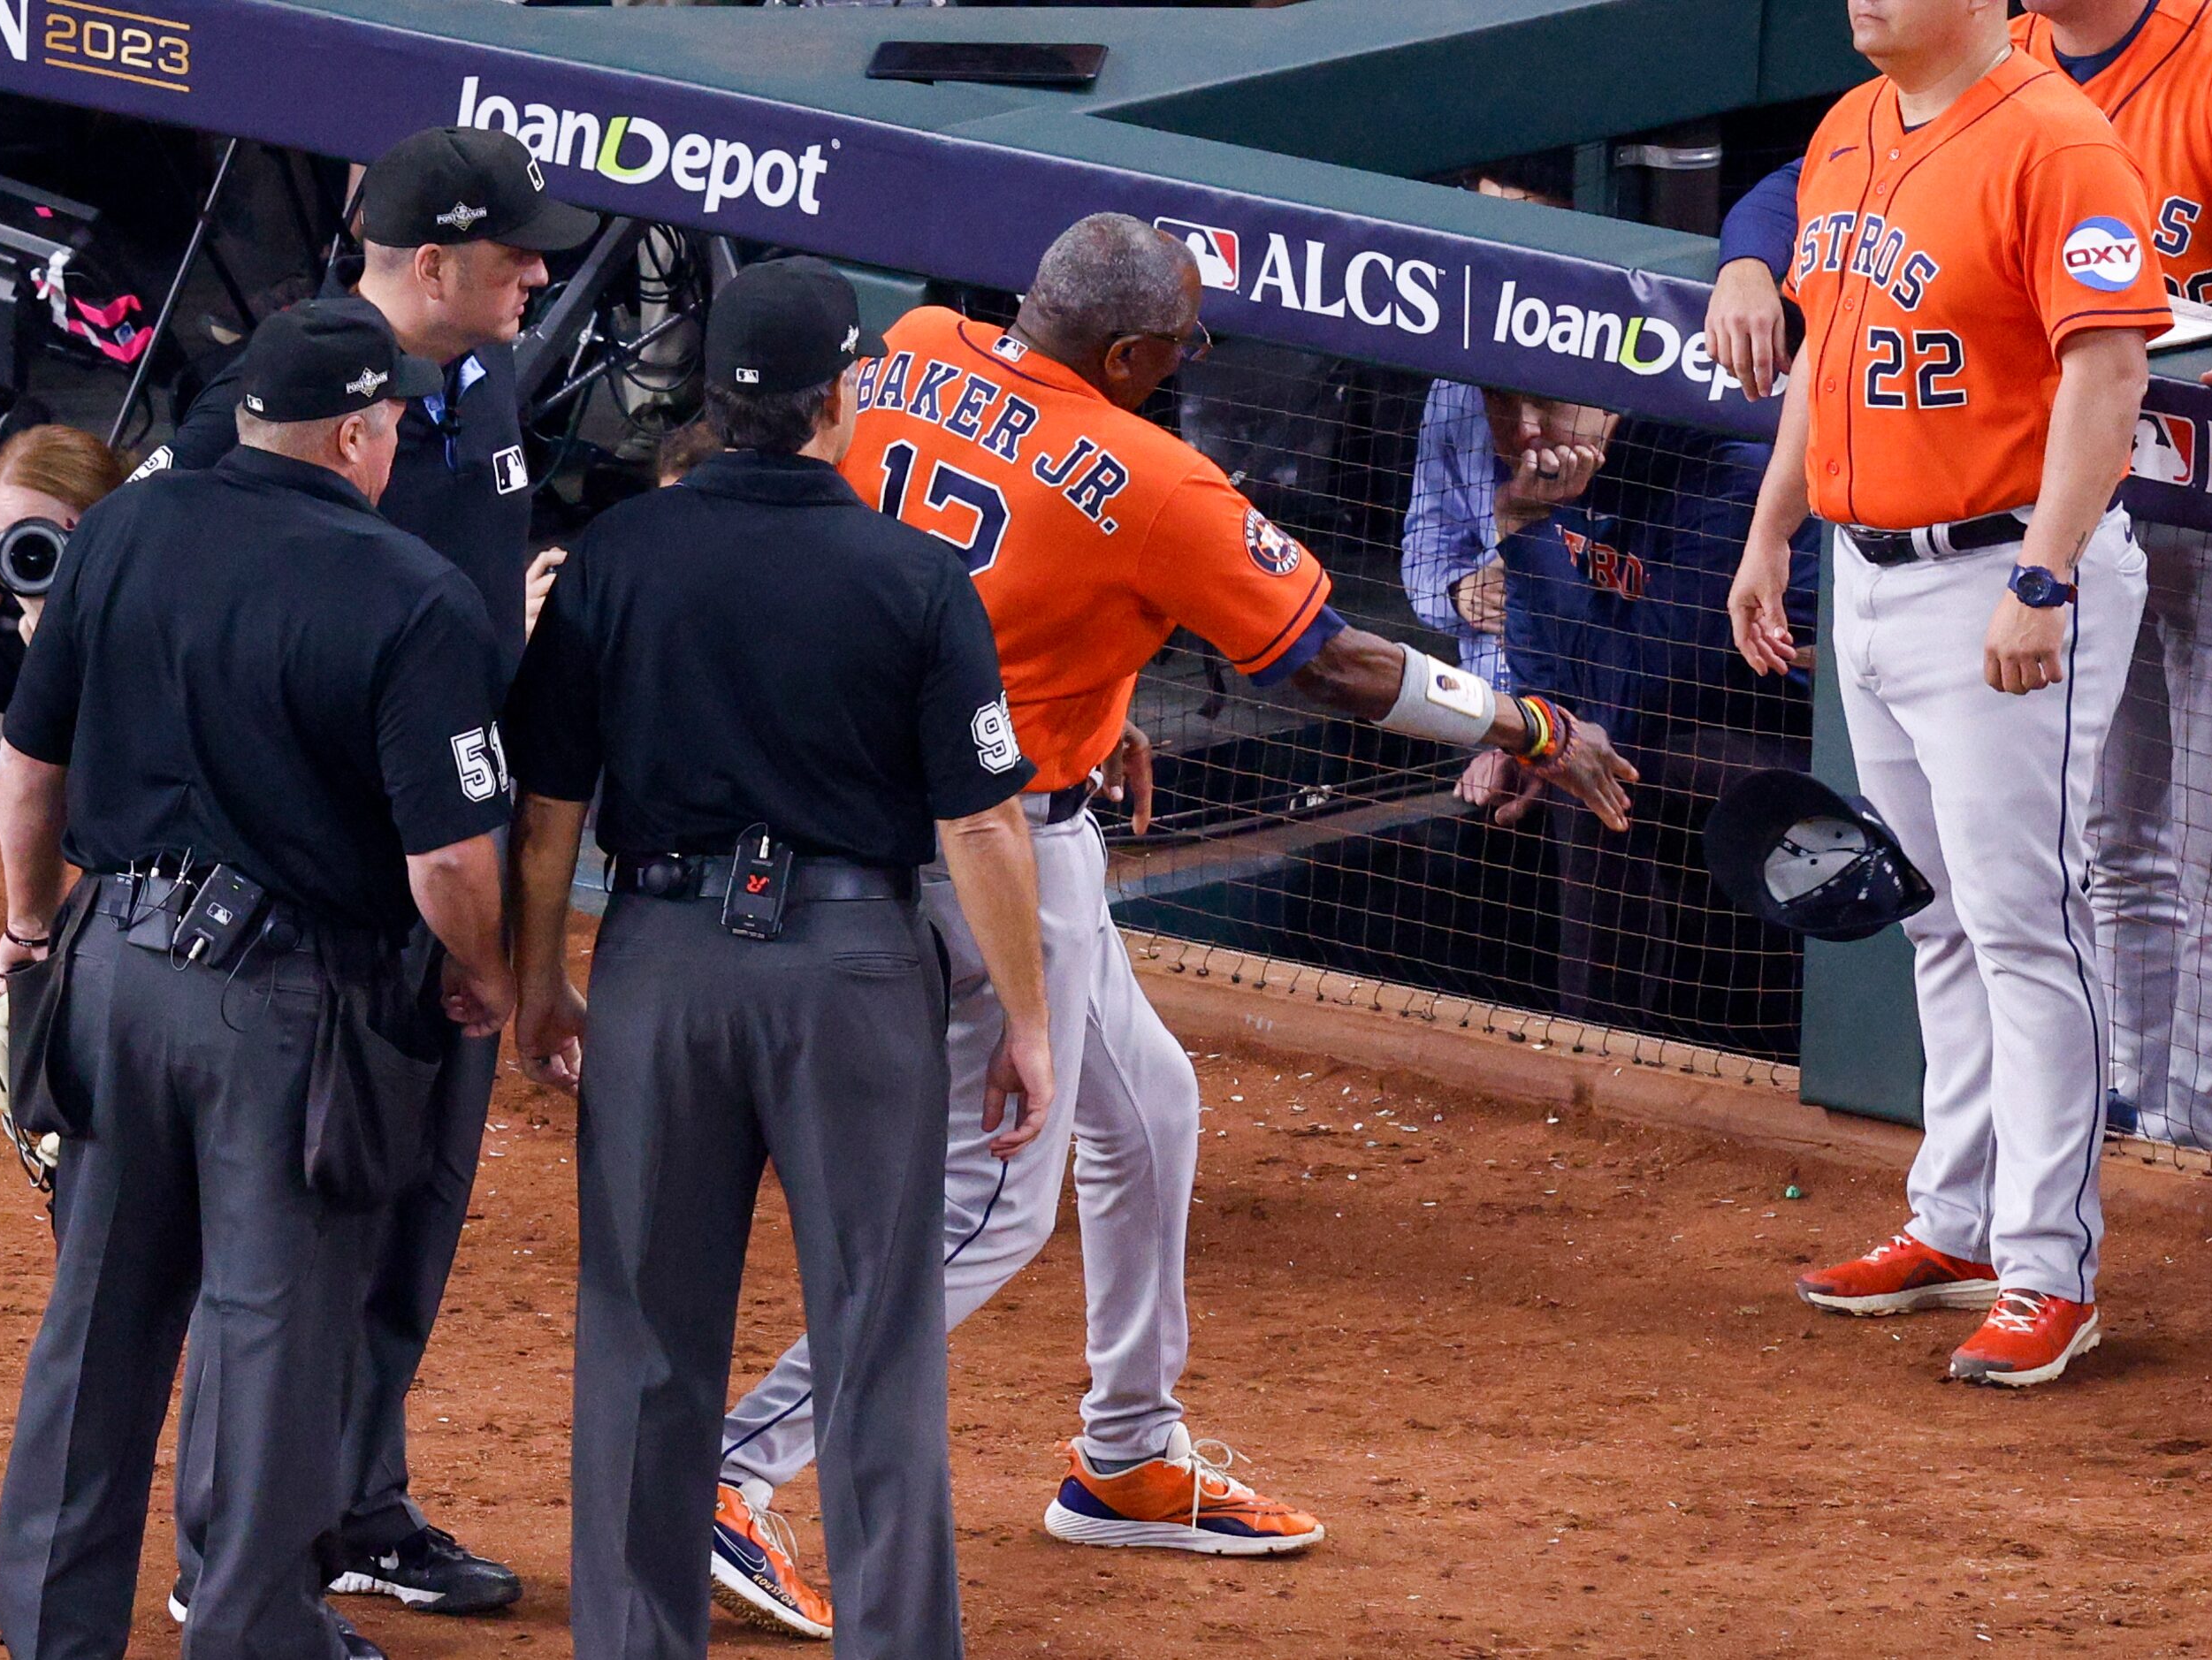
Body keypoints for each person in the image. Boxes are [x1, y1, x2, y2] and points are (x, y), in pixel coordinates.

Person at [698, 213, 1639, 1637]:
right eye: (1185, 344)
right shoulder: (1159, 481)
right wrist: (1529, 717)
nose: (1188, 362)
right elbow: (1336, 663)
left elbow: (963, 571)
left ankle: (1125, 1456)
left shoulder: (903, 350)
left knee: (1147, 1113)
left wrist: (1096, 680)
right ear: (1133, 352)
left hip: (857, 785)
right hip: (991, 849)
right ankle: (731, 1466)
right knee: (995, 1203)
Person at [502, 256, 1051, 1659]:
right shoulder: (918, 575)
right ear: (843, 394)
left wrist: (536, 979)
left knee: (644, 1344)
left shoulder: (618, 553)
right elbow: (981, 820)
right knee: (876, 1345)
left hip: (661, 966)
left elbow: (549, 796)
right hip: (850, 976)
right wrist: (1029, 1022)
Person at [0, 299, 515, 1660]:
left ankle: (54, 1631)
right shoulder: (407, 591)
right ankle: (250, 1636)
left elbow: (29, 760)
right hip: (283, 1016)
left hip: (111, 974)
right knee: (275, 1343)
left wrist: (33, 929)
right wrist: (481, 978)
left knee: (96, 1321)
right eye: (391, 416)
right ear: (353, 431)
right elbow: (452, 860)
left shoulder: (122, 531)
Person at [1708, 0, 2212, 1161]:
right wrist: (1744, 259)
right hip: (2091, 496)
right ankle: (2129, 1105)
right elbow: (1810, 182)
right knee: (2112, 833)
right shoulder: (1998, 55)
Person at [150, 125, 594, 1622]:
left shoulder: (489, 380)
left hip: (449, 869)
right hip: (317, 891)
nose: (542, 265)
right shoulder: (262, 412)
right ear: (423, 263)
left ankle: (353, 1505)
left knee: (408, 1214)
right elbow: (150, 584)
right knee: (283, 1250)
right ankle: (232, 1556)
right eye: (515, 247)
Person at [1728, 0, 2168, 1385]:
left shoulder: (2055, 139)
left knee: (2024, 923)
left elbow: (2109, 372)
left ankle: (2049, 1268)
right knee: (1931, 919)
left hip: (1998, 572)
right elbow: (1820, 355)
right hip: (1864, 570)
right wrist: (1769, 531)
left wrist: (2042, 578)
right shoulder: (1850, 126)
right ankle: (1957, 1224)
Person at [1406, 384, 1818, 1057]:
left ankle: (1597, 1046)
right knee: (1585, 756)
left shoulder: (1725, 467)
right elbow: (1553, 687)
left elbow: (1631, 689)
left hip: (1817, 741)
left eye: (1548, 400)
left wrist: (1527, 532)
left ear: (1612, 394)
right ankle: (1597, 1054)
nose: (1524, 430)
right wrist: (1520, 525)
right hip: (1681, 721)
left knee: (1600, 757)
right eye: (1502, 403)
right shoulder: (1567, 473)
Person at [0, 425, 126, 713]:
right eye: (5, 541)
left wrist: (59, 654)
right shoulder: (1, 612)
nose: (25, 558)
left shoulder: (144, 617)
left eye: (37, 539)